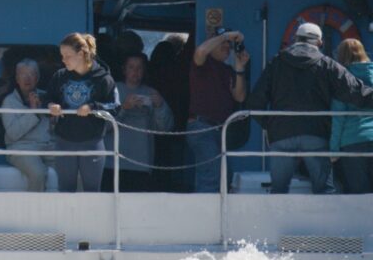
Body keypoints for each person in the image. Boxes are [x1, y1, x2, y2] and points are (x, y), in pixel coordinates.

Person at [246, 24, 373, 194]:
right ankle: (322, 221)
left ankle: (276, 220)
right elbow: (354, 91)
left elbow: (255, 101)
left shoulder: (276, 62)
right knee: (324, 189)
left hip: (281, 133)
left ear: (295, 39)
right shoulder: (327, 64)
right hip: (316, 133)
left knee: (278, 189)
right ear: (319, 42)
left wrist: (270, 125)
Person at [47, 33, 119, 192]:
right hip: (64, 141)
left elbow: (115, 106)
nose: (63, 60)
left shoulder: (103, 78)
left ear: (80, 54)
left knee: (92, 191)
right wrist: (52, 106)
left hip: (92, 142)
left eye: (67, 56)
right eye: (62, 56)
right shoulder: (60, 76)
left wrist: (93, 108)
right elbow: (48, 98)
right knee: (65, 190)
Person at [187, 27, 249, 192]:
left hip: (220, 130)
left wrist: (240, 67)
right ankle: (204, 216)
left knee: (225, 177)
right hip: (201, 127)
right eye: (223, 44)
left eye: (229, 45)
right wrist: (226, 36)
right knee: (211, 177)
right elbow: (201, 51)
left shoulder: (227, 70)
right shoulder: (202, 64)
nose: (227, 47)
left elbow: (239, 96)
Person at [103, 53, 174, 192]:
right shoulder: (112, 91)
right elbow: (103, 127)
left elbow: (165, 128)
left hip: (141, 164)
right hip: (113, 163)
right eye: (131, 67)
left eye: (139, 68)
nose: (135, 72)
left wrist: (160, 106)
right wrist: (124, 108)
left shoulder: (152, 93)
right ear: (124, 69)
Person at [1, 59, 52, 191]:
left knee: (72, 166)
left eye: (31, 74)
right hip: (21, 148)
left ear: (37, 78)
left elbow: (55, 127)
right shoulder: (9, 102)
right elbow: (13, 134)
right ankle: (36, 209)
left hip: (47, 146)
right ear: (17, 79)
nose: (27, 78)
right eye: (23, 75)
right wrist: (33, 112)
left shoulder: (46, 98)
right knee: (38, 173)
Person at [330, 39, 373, 194]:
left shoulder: (342, 80)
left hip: (353, 141)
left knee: (359, 194)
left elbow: (338, 118)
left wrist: (333, 150)